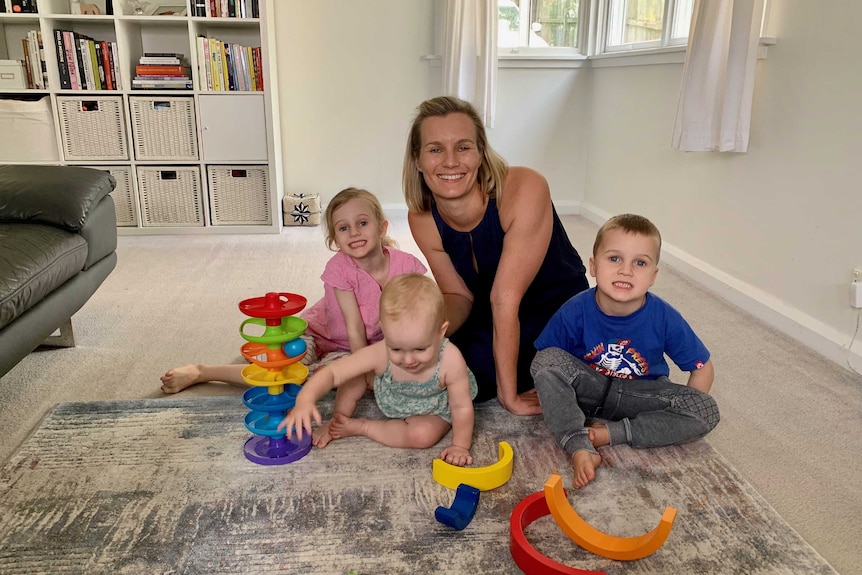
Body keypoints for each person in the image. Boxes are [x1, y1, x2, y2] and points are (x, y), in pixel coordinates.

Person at [160, 187, 427, 446]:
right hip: (321, 334)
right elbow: (354, 327)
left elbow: (417, 316)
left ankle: (322, 375)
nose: (354, 232)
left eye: (362, 223)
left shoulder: (406, 267)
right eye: (343, 228)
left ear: (382, 228)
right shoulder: (339, 268)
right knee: (280, 372)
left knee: (329, 376)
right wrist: (364, 369)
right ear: (334, 239)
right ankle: (202, 371)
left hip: (359, 348)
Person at [403, 96, 590, 416]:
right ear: (418, 160)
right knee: (422, 366)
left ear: (480, 154)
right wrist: (425, 330)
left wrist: (509, 397)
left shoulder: (525, 186)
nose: (450, 161)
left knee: (478, 374)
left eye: (463, 147)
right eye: (435, 149)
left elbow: (506, 298)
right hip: (488, 310)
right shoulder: (421, 218)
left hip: (555, 311)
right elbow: (457, 294)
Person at [531, 214, 719, 489]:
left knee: (706, 409)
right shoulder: (574, 310)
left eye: (640, 263)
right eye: (614, 259)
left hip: (641, 394)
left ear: (653, 276)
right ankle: (578, 444)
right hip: (590, 392)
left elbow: (702, 367)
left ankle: (612, 433)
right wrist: (555, 394)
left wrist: (676, 416)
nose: (626, 271)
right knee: (545, 360)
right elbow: (548, 363)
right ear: (593, 266)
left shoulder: (664, 317)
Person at [279, 274, 479, 466]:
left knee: (423, 435)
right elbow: (334, 372)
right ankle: (338, 420)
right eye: (397, 348)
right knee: (354, 375)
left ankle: (362, 427)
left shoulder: (450, 360)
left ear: (440, 332)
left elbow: (461, 407)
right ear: (385, 331)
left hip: (432, 408)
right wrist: (306, 398)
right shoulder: (381, 352)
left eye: (420, 349)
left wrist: (460, 446)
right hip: (391, 391)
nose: (408, 360)